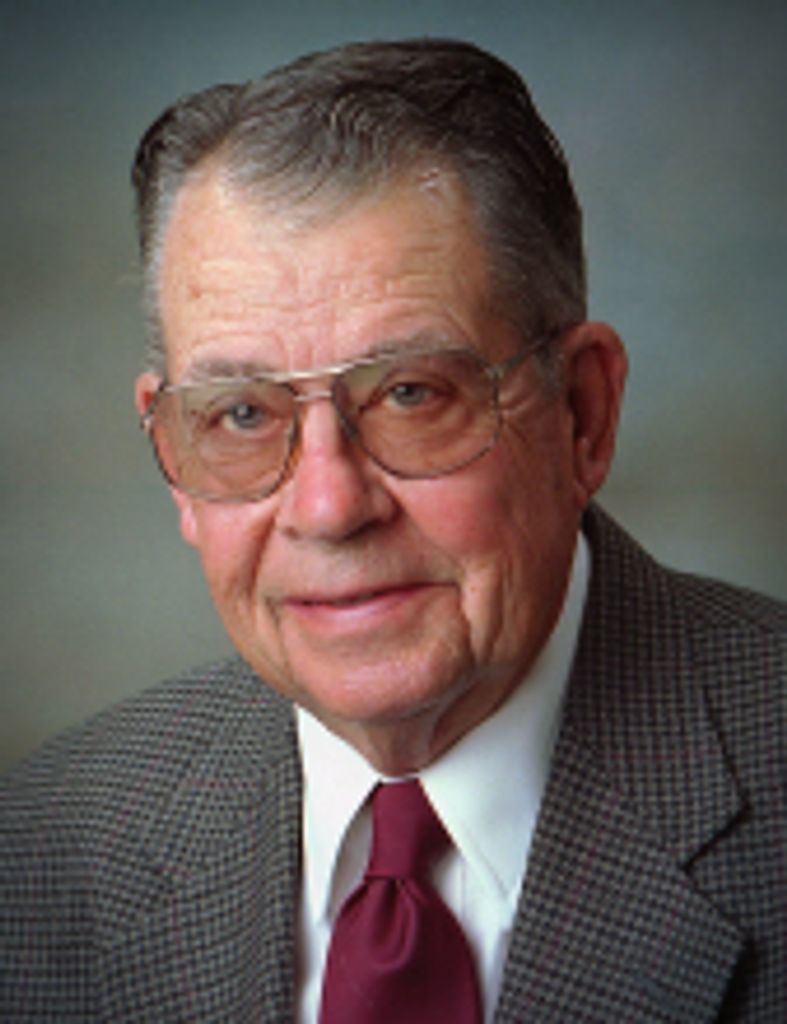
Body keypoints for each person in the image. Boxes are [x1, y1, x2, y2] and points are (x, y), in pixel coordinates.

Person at [1, 38, 784, 1023]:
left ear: (581, 414)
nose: (329, 509)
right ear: (173, 457)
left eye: (411, 394)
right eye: (241, 414)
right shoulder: (38, 854)